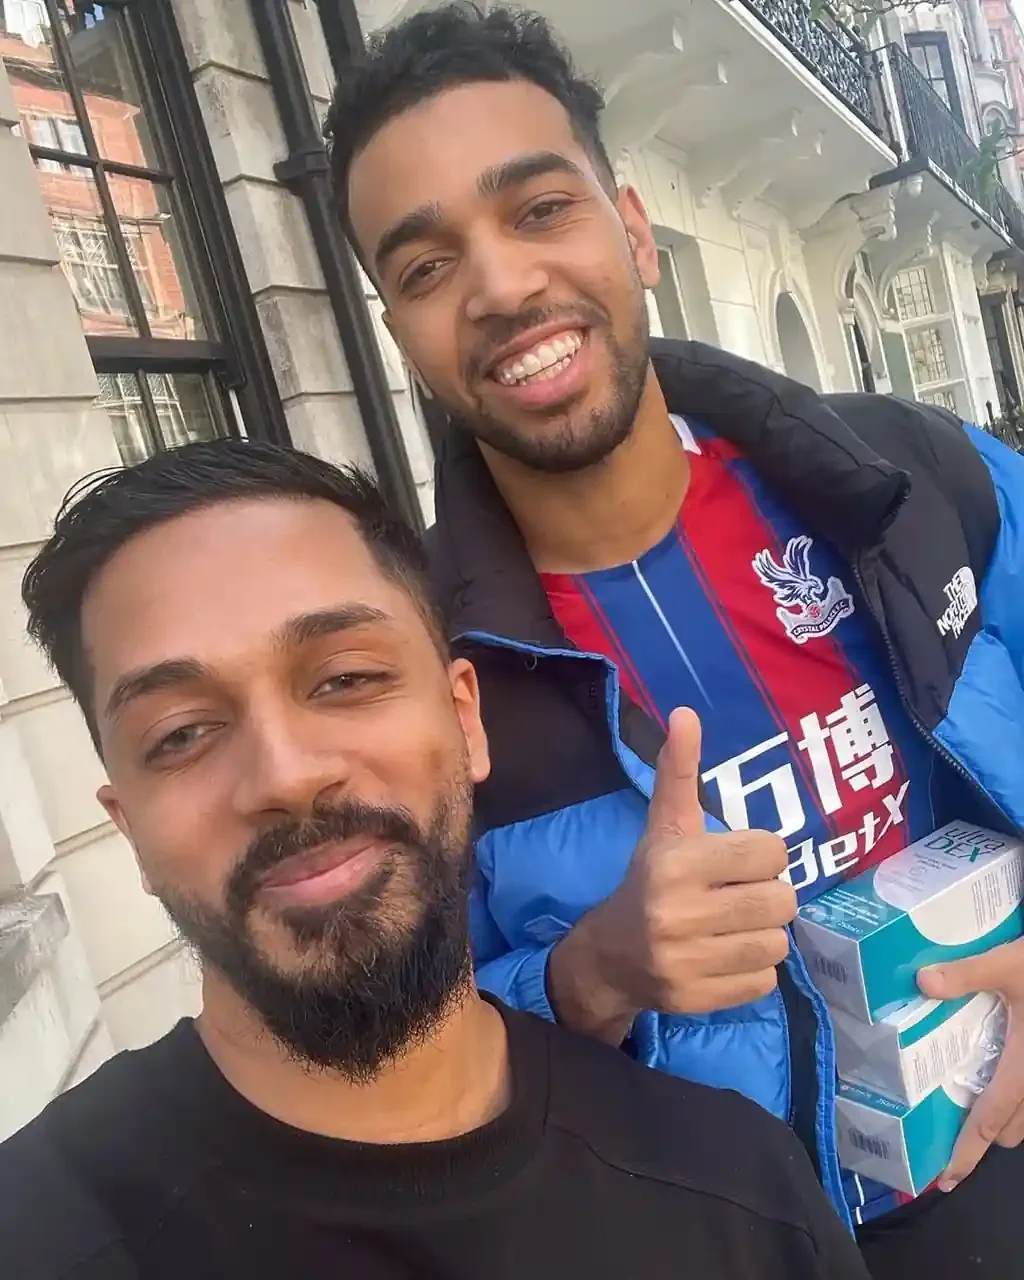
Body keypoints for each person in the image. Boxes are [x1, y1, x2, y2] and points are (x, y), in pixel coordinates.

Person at [325, 4, 1024, 1275]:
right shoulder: (417, 682)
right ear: (399, 338)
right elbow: (398, 1059)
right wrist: (589, 974)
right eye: (425, 268)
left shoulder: (911, 486)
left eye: (540, 208)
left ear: (633, 230)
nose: (499, 285)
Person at [0, 442, 867, 1279]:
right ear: (128, 829)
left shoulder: (740, 1193)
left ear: (466, 719)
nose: (288, 775)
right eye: (181, 734)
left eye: (343, 679)